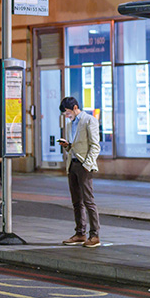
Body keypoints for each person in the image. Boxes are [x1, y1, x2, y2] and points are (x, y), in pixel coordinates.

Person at [59, 96, 101, 248]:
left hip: (84, 166)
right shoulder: (71, 124)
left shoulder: (89, 120)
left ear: (75, 107)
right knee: (76, 202)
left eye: (67, 112)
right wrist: (68, 146)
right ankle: (80, 233)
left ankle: (95, 235)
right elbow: (75, 145)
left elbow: (95, 145)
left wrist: (87, 165)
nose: (66, 115)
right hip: (72, 164)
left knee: (88, 201)